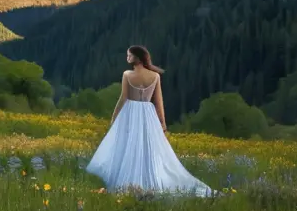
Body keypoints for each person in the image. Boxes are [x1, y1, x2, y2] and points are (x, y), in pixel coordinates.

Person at [85, 45, 212, 197]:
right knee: (147, 147)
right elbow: (158, 102)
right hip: (147, 114)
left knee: (128, 145)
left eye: (129, 55)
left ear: (136, 57)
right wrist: (162, 123)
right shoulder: (155, 76)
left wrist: (114, 116)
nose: (127, 58)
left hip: (130, 113)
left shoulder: (127, 75)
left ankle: (130, 183)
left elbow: (123, 98)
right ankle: (148, 179)